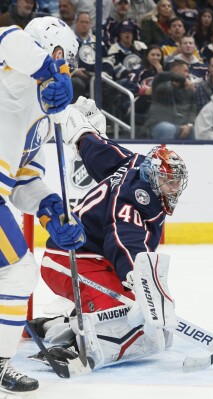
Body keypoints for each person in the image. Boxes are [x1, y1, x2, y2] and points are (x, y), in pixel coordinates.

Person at [29, 97, 189, 370]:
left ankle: (56, 323)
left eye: (175, 182)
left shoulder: (135, 163)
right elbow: (123, 238)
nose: (172, 188)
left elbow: (97, 150)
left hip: (95, 258)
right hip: (66, 258)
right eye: (167, 181)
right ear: (152, 178)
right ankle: (68, 344)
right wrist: (138, 278)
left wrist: (82, 133)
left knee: (149, 325)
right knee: (126, 313)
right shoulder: (136, 199)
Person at [0, 16, 83, 393]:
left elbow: (24, 178)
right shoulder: (12, 74)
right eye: (64, 61)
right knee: (18, 272)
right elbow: (6, 37)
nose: (69, 72)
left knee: (16, 272)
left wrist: (52, 211)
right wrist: (48, 71)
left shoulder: (45, 116)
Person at [145, 59, 197, 140]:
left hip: (181, 126)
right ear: (175, 71)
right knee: (169, 128)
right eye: (185, 71)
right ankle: (165, 153)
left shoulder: (189, 91)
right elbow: (160, 76)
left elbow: (193, 110)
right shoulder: (161, 86)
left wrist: (189, 125)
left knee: (192, 130)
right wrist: (182, 80)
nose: (188, 74)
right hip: (158, 124)